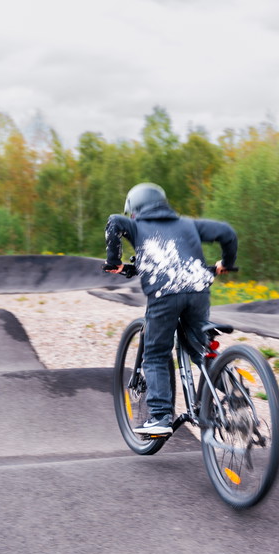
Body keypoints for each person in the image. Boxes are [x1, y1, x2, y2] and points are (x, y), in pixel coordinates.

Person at [104, 182, 238, 435]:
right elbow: (227, 233)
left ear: (135, 209)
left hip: (165, 293)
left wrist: (113, 261)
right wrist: (226, 263)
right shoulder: (188, 224)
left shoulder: (137, 224)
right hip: (199, 290)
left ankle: (161, 416)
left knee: (154, 354)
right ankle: (235, 391)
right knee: (200, 348)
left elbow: (114, 222)